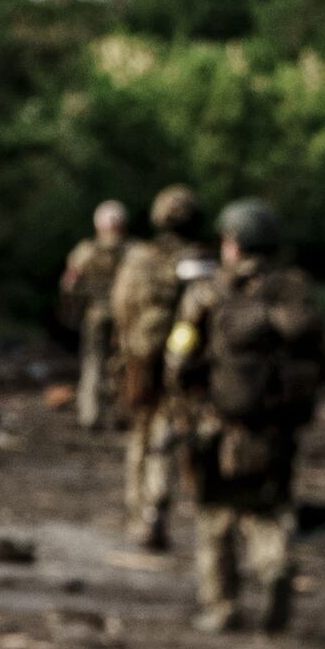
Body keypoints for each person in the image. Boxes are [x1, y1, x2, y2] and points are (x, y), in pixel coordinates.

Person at [164, 198, 325, 634]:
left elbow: (177, 359)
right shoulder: (298, 295)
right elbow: (322, 362)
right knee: (269, 511)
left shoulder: (208, 293)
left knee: (215, 518)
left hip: (220, 426)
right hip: (278, 429)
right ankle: (274, 568)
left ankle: (222, 607)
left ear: (233, 244)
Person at [109, 186, 206, 552]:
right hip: (187, 366)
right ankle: (164, 510)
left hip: (142, 361)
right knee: (178, 439)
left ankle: (144, 512)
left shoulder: (140, 258)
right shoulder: (203, 262)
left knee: (144, 437)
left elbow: (122, 308)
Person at [56, 199, 130, 430]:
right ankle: (121, 413)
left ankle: (91, 414)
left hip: (95, 314)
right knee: (121, 364)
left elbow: (69, 285)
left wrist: (75, 308)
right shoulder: (133, 251)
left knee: (93, 363)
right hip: (123, 316)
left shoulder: (86, 251)